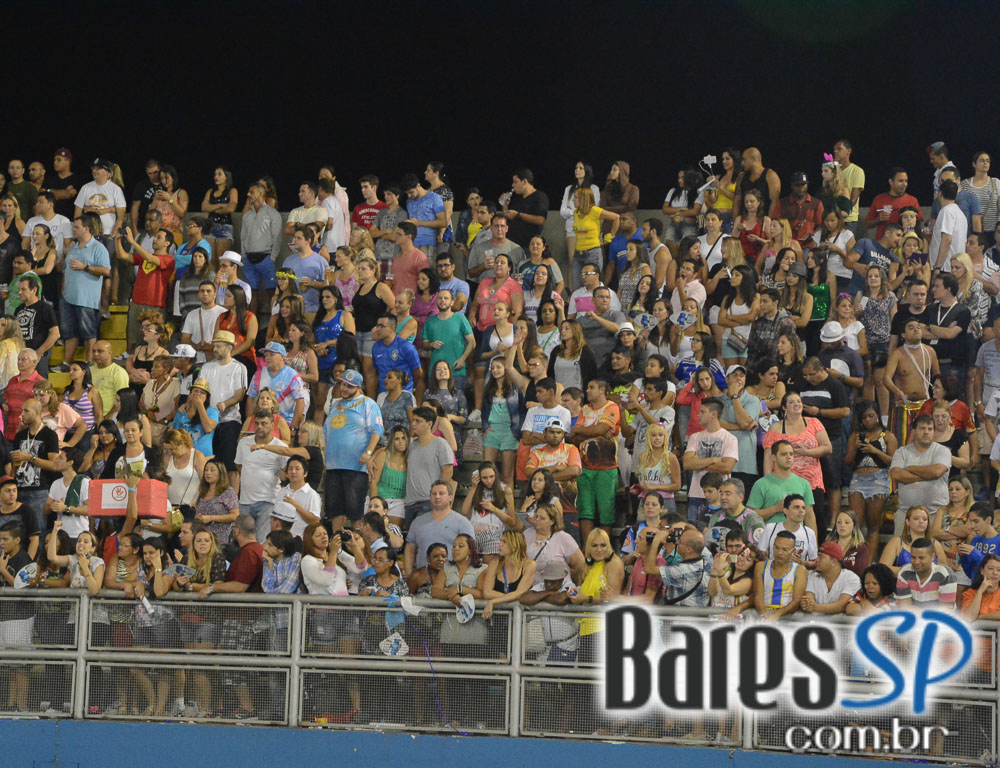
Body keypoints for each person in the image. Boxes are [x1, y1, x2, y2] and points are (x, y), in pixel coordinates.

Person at [323, 369, 383, 530]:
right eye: (343, 384)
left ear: (359, 387)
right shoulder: (335, 405)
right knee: (334, 510)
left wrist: (368, 453)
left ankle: (358, 541)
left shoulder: (368, 403)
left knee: (355, 512)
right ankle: (337, 539)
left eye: (350, 386)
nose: (344, 389)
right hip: (333, 466)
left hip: (355, 467)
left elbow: (377, 430)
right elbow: (326, 432)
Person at [762, 394, 829, 524]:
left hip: (812, 482)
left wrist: (807, 452)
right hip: (784, 483)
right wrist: (768, 481)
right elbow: (768, 456)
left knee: (817, 520)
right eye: (791, 402)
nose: (797, 404)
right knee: (787, 520)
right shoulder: (776, 428)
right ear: (784, 407)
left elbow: (827, 447)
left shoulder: (813, 422)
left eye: (799, 401)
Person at [199, 330, 248, 485]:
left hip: (229, 420)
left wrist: (225, 404)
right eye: (214, 346)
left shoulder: (238, 368)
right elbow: (199, 390)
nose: (215, 349)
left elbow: (239, 394)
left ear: (229, 347)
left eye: (219, 346)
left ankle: (232, 496)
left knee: (230, 464)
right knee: (209, 462)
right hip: (207, 421)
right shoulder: (206, 367)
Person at [889, 413, 952, 535]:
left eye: (930, 429)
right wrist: (927, 475)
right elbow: (896, 475)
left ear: (934, 432)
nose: (926, 432)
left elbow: (936, 472)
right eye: (922, 428)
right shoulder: (901, 452)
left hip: (937, 513)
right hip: (906, 514)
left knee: (937, 546)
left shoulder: (942, 451)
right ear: (914, 431)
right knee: (901, 546)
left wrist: (909, 468)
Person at [61, 214, 111, 364]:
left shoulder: (98, 248)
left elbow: (106, 271)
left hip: (87, 300)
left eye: (77, 227)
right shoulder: (73, 247)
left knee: (89, 333)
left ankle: (89, 363)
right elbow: (64, 270)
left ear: (86, 228)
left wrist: (85, 267)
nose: (74, 230)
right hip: (68, 297)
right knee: (69, 333)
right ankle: (67, 363)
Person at [234, 410, 288, 541]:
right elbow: (239, 467)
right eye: (257, 423)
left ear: (272, 425)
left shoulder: (281, 446)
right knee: (244, 541)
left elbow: (285, 473)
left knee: (263, 542)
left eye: (264, 423)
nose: (259, 427)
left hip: (268, 501)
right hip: (245, 501)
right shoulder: (243, 443)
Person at [683, 398, 738, 522]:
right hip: (697, 494)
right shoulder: (694, 437)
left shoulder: (730, 438)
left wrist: (698, 462)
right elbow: (687, 464)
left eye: (702, 412)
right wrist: (713, 459)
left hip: (721, 496)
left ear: (713, 414)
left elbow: (726, 468)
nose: (698, 415)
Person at [403, 481, 473, 575]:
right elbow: (410, 549)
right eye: (434, 494)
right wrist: (409, 575)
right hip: (423, 577)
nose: (437, 497)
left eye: (441, 493)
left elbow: (470, 551)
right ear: (430, 497)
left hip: (452, 578)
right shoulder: (418, 522)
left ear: (450, 497)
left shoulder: (462, 522)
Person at [239, 183, 283, 314]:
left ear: (261, 194)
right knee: (251, 292)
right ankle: (253, 321)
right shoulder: (247, 215)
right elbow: (243, 236)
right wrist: (243, 255)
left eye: (252, 192)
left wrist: (272, 257)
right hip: (249, 258)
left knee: (272, 291)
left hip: (266, 258)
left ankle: (274, 321)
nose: (248, 194)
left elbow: (277, 237)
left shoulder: (273, 214)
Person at [246, 341, 307, 433]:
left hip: (284, 424)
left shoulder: (292, 376)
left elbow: (300, 402)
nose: (267, 358)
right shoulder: (259, 374)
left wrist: (293, 427)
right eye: (266, 355)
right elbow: (250, 398)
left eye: (272, 354)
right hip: (262, 424)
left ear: (282, 357)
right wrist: (250, 423)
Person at [644, 526, 712, 607]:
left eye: (680, 542)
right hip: (699, 613)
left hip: (682, 614)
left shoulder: (683, 571)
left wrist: (656, 541)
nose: (676, 543)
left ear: (689, 550)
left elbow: (649, 569)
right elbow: (697, 540)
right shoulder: (707, 561)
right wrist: (684, 525)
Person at [752, 530, 806, 620]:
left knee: (800, 617)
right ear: (773, 547)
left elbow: (796, 602)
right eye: (777, 548)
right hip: (764, 611)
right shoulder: (760, 566)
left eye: (785, 549)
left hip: (787, 613)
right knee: (749, 614)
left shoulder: (800, 570)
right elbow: (758, 596)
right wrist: (764, 616)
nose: (779, 552)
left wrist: (776, 615)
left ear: (793, 551)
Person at [894, 537, 957, 609]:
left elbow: (946, 610)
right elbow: (905, 607)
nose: (916, 562)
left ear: (932, 557)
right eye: (913, 557)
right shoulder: (904, 573)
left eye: (921, 558)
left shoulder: (946, 574)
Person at [371, 313, 423, 398]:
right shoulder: (376, 347)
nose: (378, 329)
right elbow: (376, 371)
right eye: (377, 326)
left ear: (393, 327)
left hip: (403, 394)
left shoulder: (407, 347)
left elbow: (418, 372)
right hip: (383, 394)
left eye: (382, 326)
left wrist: (410, 386)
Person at [801, 542, 861, 615]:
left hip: (841, 621)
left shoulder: (851, 578)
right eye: (817, 556)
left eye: (821, 557)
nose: (817, 560)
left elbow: (841, 606)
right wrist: (806, 604)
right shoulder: (812, 576)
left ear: (833, 561)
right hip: (815, 620)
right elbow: (808, 601)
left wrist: (815, 607)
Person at [758, 494, 817, 561]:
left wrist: (801, 563)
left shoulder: (809, 533)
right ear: (786, 511)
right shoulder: (770, 528)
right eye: (796, 507)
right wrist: (773, 565)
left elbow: (813, 561)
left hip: (799, 567)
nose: (801, 510)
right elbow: (761, 553)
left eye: (803, 508)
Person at [171, 378, 218, 458]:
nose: (198, 394)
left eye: (202, 393)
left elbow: (208, 429)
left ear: (206, 397)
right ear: (190, 394)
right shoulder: (182, 411)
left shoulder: (212, 412)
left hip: (203, 457)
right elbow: (174, 434)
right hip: (182, 456)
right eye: (195, 391)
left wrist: (200, 405)